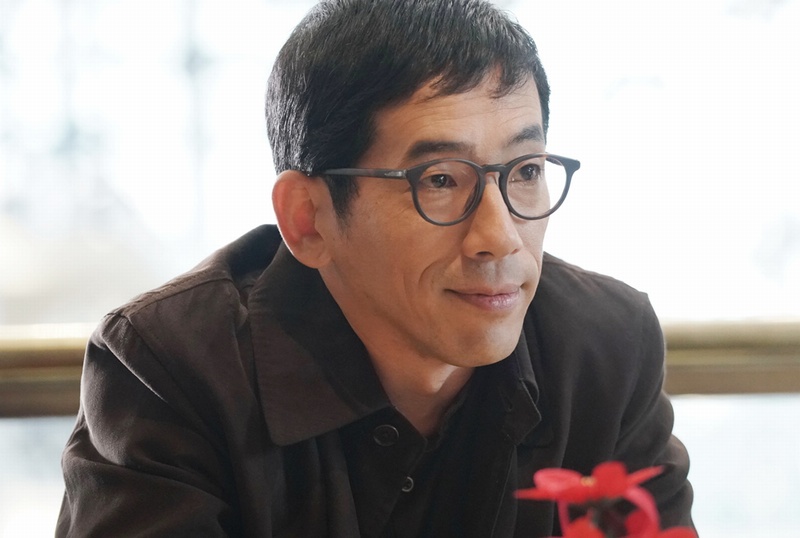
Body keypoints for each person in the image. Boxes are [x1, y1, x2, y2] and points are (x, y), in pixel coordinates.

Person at [56, 0, 694, 536]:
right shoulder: (173, 369)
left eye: (525, 171)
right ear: (308, 219)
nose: (500, 239)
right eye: (439, 180)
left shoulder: (607, 347)